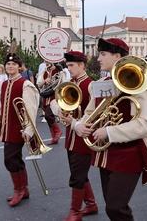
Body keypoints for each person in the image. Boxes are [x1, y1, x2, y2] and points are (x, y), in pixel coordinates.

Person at [75, 38, 147, 220]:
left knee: (116, 207)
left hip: (130, 154)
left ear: (117, 56)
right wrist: (80, 125)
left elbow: (145, 124)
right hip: (106, 154)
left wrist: (109, 132)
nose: (98, 58)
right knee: (112, 208)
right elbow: (89, 112)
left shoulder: (138, 83)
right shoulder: (101, 83)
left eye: (103, 54)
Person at [0, 52, 39, 207]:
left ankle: (19, 190)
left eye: (13, 64)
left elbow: (30, 109)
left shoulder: (25, 84)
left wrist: (28, 130)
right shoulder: (4, 84)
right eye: (8, 64)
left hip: (19, 129)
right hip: (7, 127)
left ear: (19, 67)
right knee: (15, 158)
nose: (10, 66)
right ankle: (23, 189)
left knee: (10, 159)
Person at [59, 51, 98, 220]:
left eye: (71, 66)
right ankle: (91, 204)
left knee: (77, 175)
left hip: (84, 137)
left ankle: (75, 212)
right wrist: (62, 113)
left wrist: (75, 122)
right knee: (79, 172)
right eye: (67, 66)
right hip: (71, 136)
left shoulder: (91, 85)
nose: (69, 69)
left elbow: (94, 114)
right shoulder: (70, 83)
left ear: (82, 65)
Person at [37, 62, 66, 144]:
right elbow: (39, 84)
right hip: (46, 97)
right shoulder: (44, 71)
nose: (47, 64)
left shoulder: (60, 70)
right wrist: (45, 81)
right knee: (47, 117)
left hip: (55, 96)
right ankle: (54, 138)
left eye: (49, 62)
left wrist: (60, 73)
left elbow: (64, 82)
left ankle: (58, 132)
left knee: (48, 115)